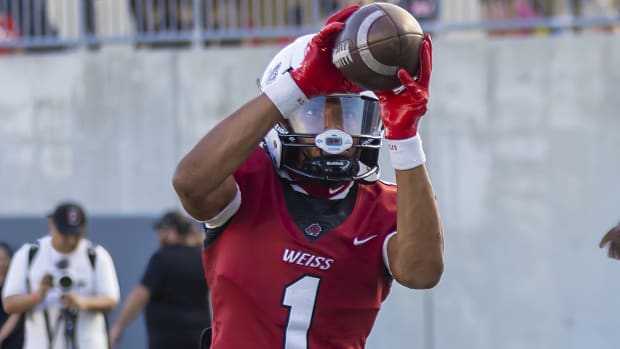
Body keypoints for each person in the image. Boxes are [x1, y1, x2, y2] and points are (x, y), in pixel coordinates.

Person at [172, 4, 444, 348]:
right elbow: (190, 181)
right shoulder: (249, 180)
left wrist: (405, 137)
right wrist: (299, 83)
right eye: (316, 111)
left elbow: (423, 272)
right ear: (283, 112)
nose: (336, 129)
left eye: (348, 113)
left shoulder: (385, 206)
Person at [1, 201, 120, 349]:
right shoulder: (29, 255)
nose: (70, 241)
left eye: (76, 235)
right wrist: (38, 295)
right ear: (52, 225)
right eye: (65, 234)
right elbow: (9, 304)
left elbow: (111, 300)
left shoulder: (96, 255)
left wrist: (81, 302)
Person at [108, 210, 211, 349]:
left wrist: (118, 325)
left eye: (162, 230)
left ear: (173, 231)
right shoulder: (203, 257)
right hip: (198, 337)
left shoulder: (162, 258)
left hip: (167, 339)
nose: (159, 236)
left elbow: (141, 294)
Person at [0, 242, 24, 349]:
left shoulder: (15, 284)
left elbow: (16, 314)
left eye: (1, 258)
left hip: (12, 340)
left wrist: (1, 337)